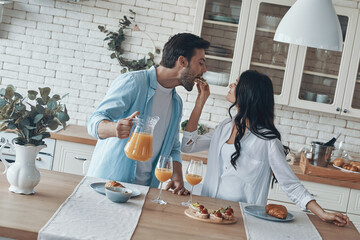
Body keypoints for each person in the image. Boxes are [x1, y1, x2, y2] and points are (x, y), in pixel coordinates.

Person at [181, 70, 349, 226]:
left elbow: (290, 184)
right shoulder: (225, 126)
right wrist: (200, 101)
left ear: (249, 93)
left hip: (240, 219)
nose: (231, 85)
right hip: (208, 211)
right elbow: (188, 146)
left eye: (237, 83)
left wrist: (322, 214)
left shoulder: (267, 140)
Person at [87, 33, 210, 195]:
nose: (204, 70)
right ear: (182, 61)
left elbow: (172, 146)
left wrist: (177, 176)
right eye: (200, 63)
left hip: (145, 191)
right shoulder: (134, 83)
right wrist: (115, 128)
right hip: (108, 186)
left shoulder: (176, 103)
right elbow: (94, 122)